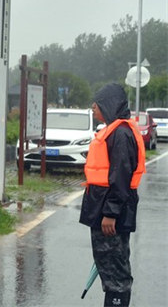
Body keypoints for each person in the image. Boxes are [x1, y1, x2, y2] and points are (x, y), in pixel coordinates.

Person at [80, 83, 145, 307]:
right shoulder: (114, 131)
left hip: (110, 216)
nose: (93, 107)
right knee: (109, 269)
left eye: (96, 103)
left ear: (108, 105)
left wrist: (111, 212)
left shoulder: (121, 134)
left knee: (115, 272)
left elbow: (121, 177)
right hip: (104, 211)